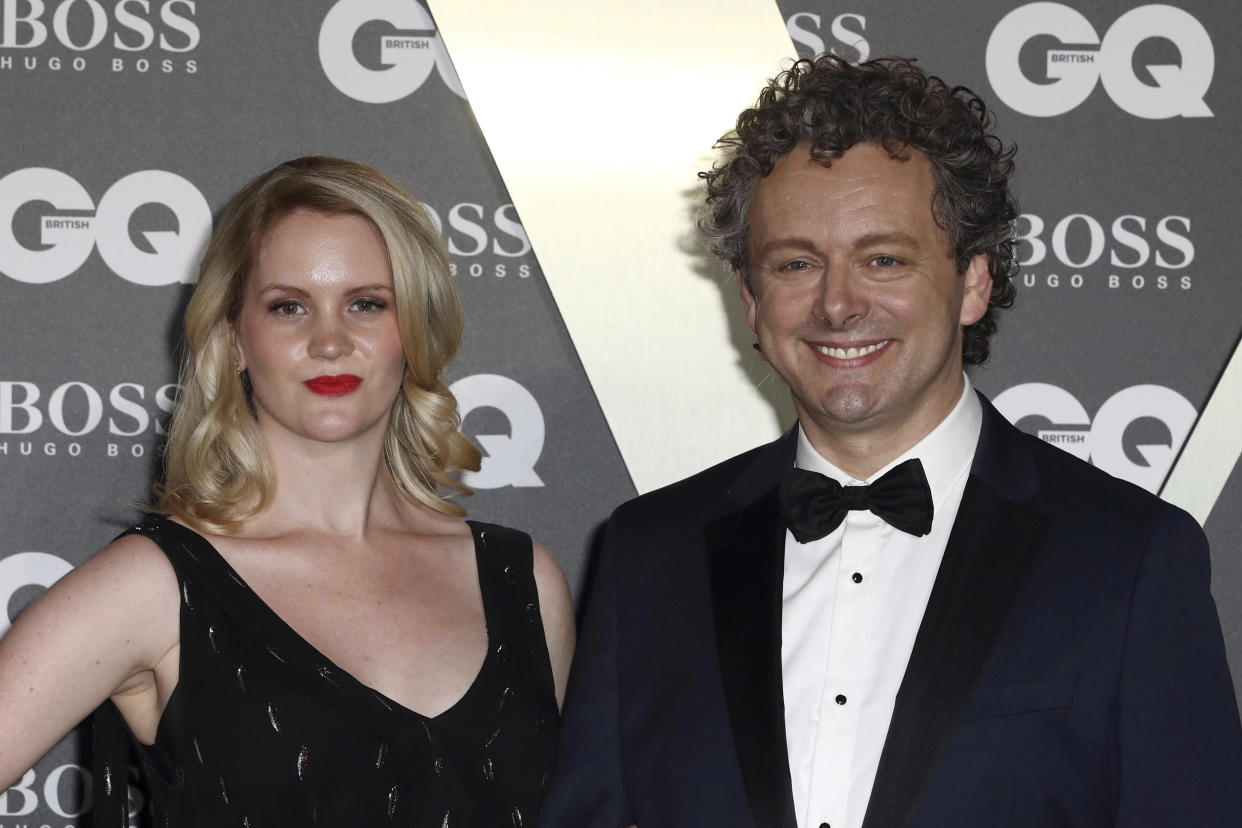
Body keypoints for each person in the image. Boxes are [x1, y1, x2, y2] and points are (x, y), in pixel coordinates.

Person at [540, 56, 1242, 828]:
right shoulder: (650, 553)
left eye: (883, 259)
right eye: (797, 263)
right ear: (749, 297)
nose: (838, 304)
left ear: (974, 279)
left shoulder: (1129, 558)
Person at [0, 156, 574, 827]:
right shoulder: (157, 586)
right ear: (235, 339)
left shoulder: (523, 581)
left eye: (366, 304)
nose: (329, 341)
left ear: (414, 329)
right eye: (288, 307)